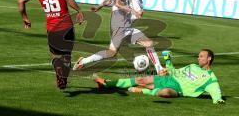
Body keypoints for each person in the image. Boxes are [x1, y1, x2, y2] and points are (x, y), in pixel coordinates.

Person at [73, 0, 164, 75]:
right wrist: (132, 10)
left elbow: (109, 0)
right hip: (119, 27)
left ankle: (160, 69)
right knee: (111, 53)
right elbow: (118, 3)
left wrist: (99, 6)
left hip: (127, 27)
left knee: (148, 43)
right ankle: (83, 61)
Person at [18, 0, 84, 89]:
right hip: (66, 27)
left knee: (55, 56)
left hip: (52, 29)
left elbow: (21, 1)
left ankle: (58, 71)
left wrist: (25, 18)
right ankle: (63, 78)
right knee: (67, 56)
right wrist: (79, 10)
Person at [94, 49, 225, 104]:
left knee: (165, 93)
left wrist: (218, 99)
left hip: (178, 90)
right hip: (168, 79)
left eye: (201, 56)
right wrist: (168, 61)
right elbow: (173, 71)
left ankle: (142, 90)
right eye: (199, 55)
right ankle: (106, 83)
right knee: (140, 79)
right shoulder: (192, 66)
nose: (198, 57)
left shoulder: (210, 79)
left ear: (209, 58)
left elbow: (216, 91)